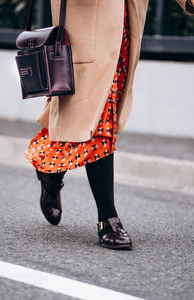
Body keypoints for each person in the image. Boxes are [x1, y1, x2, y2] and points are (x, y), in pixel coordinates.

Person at [25, 0, 194, 250]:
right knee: (96, 117)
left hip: (124, 27)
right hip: (87, 26)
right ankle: (108, 218)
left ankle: (51, 172)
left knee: (90, 117)